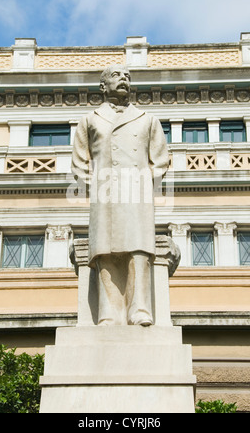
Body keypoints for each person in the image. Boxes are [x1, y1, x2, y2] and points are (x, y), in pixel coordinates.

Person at [71, 65, 169, 326]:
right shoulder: (90, 119)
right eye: (116, 76)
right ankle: (108, 313)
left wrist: (145, 181)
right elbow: (80, 161)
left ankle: (139, 310)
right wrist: (96, 183)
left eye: (127, 76)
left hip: (137, 193)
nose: (123, 79)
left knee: (138, 250)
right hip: (104, 195)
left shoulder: (147, 118)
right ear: (103, 86)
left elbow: (160, 160)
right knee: (104, 251)